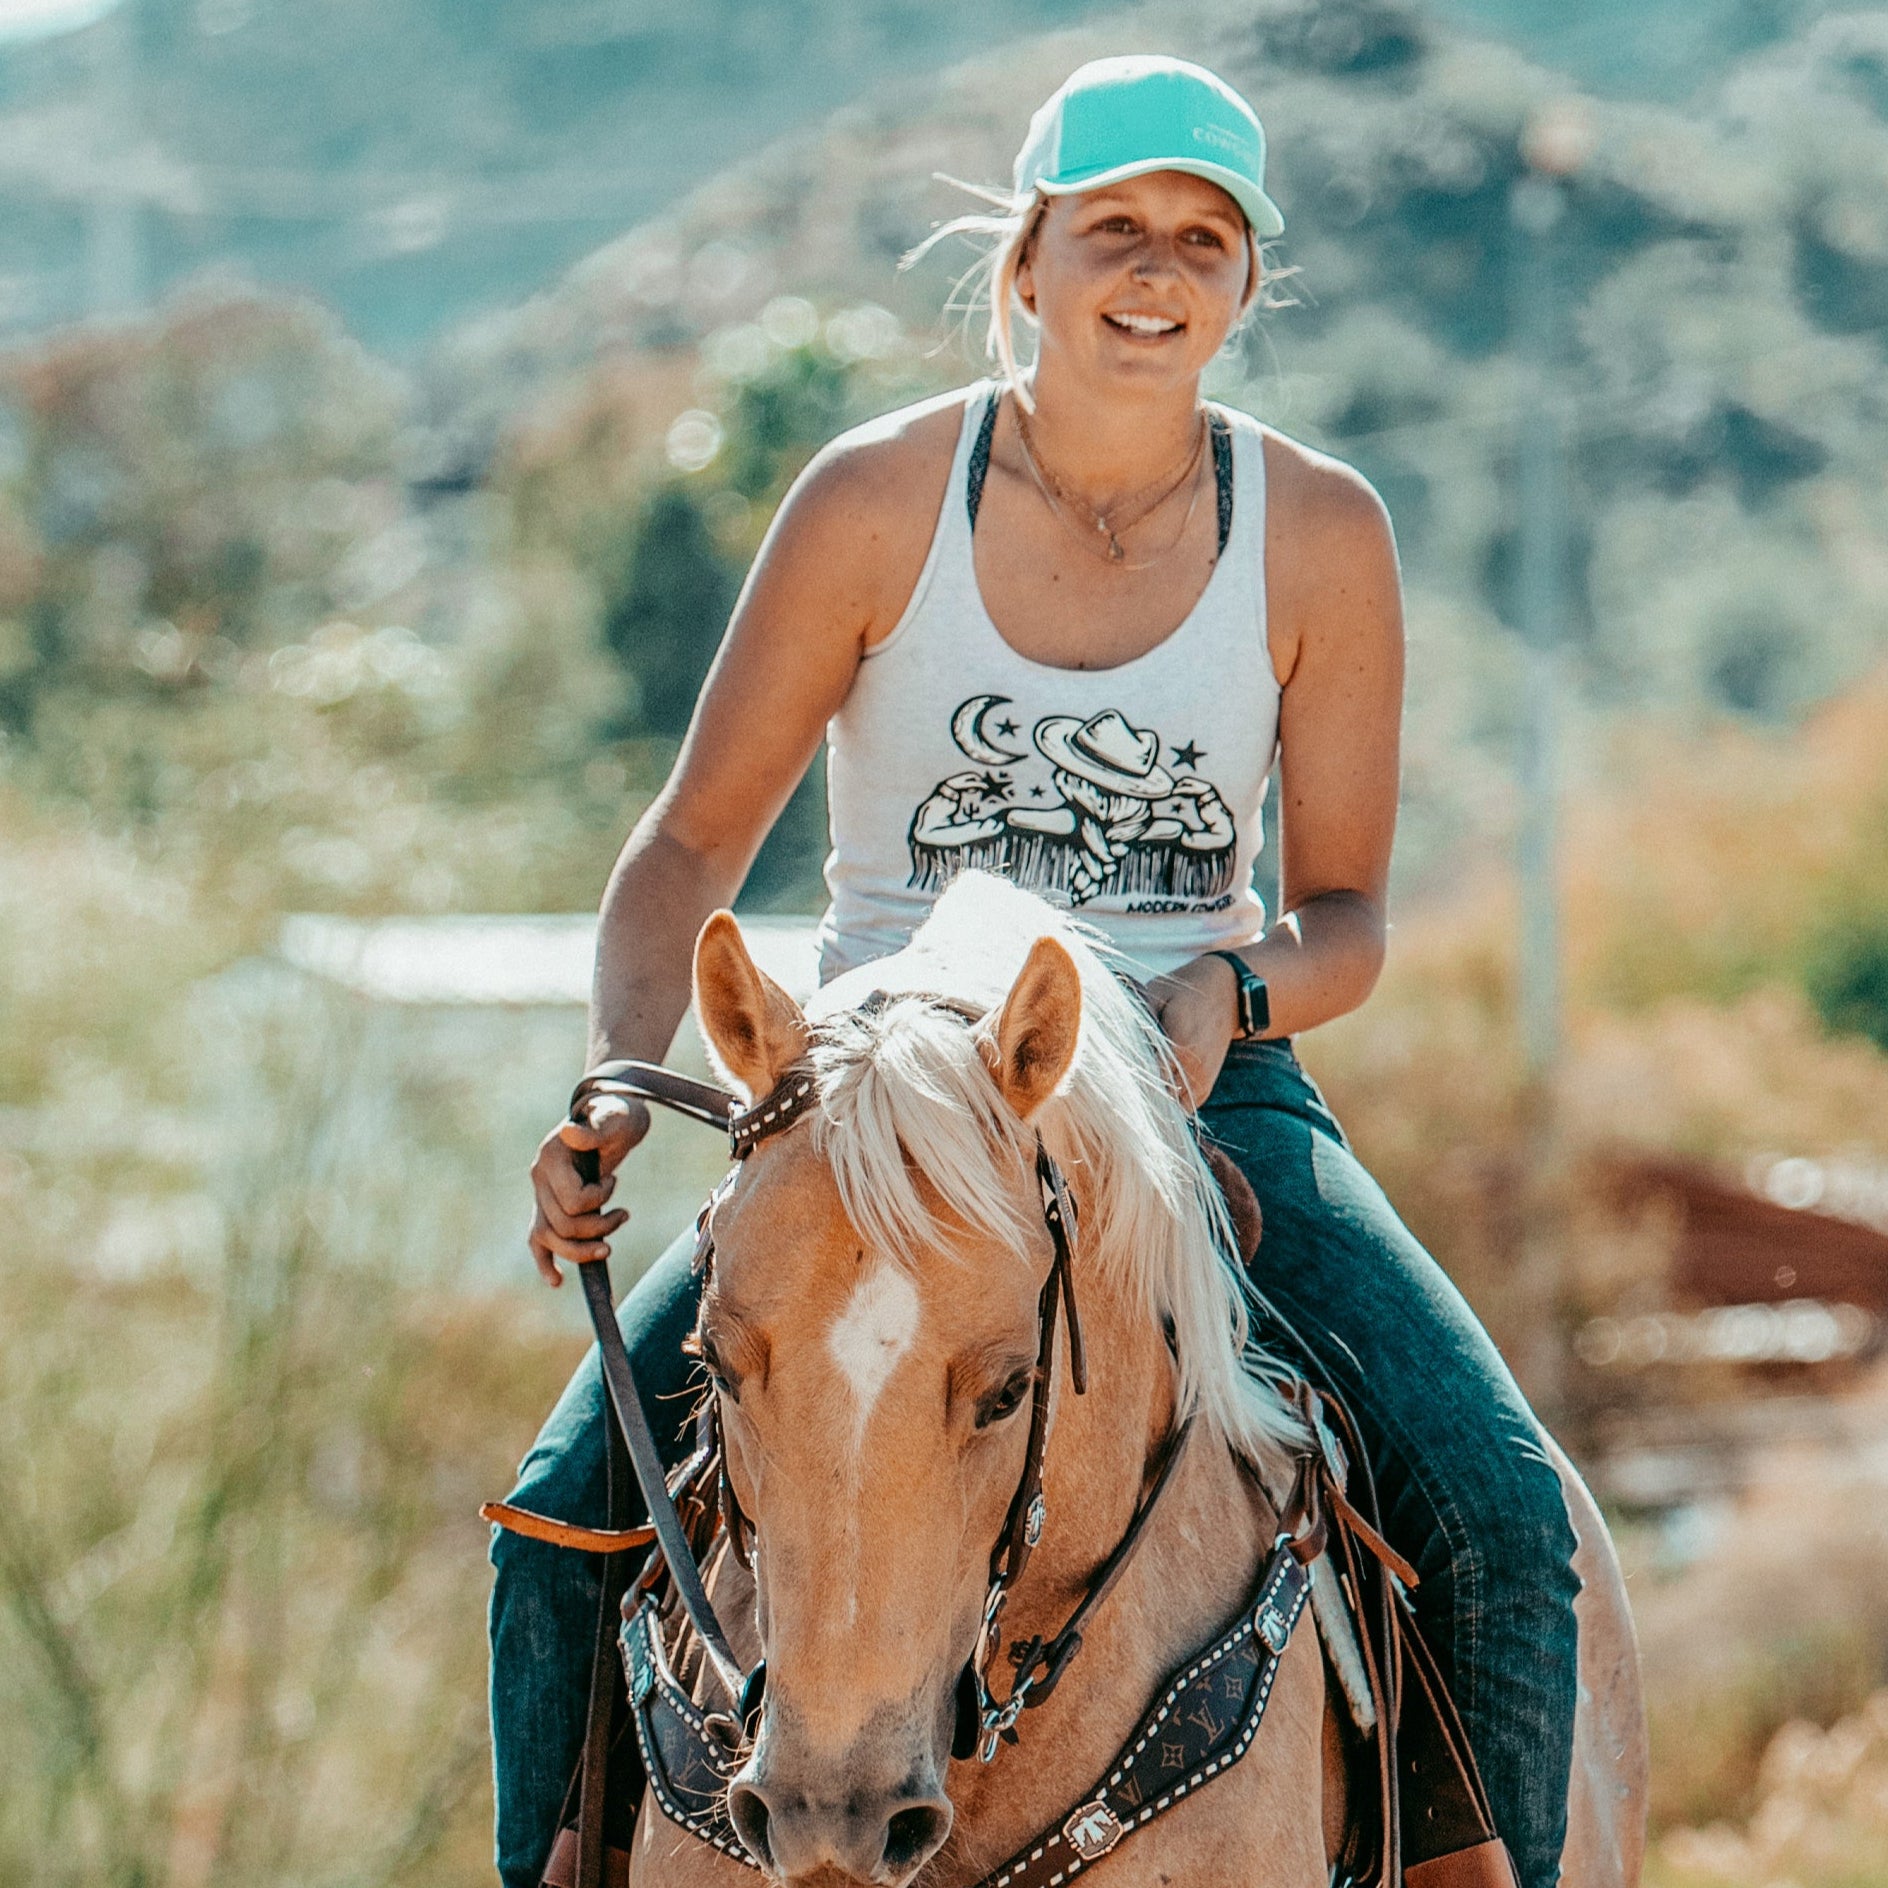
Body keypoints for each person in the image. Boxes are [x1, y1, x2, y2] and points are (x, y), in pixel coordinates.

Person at [493, 54, 1579, 1888]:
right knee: (561, 1516)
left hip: (1197, 1095)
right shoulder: (872, 501)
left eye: (1202, 239)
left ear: (1247, 285)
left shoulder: (1318, 535)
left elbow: (1348, 916)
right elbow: (685, 851)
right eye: (1114, 230)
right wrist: (614, 1075)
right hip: (864, 1115)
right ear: (1027, 259)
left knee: (1495, 1512)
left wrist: (1228, 994)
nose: (1155, 269)